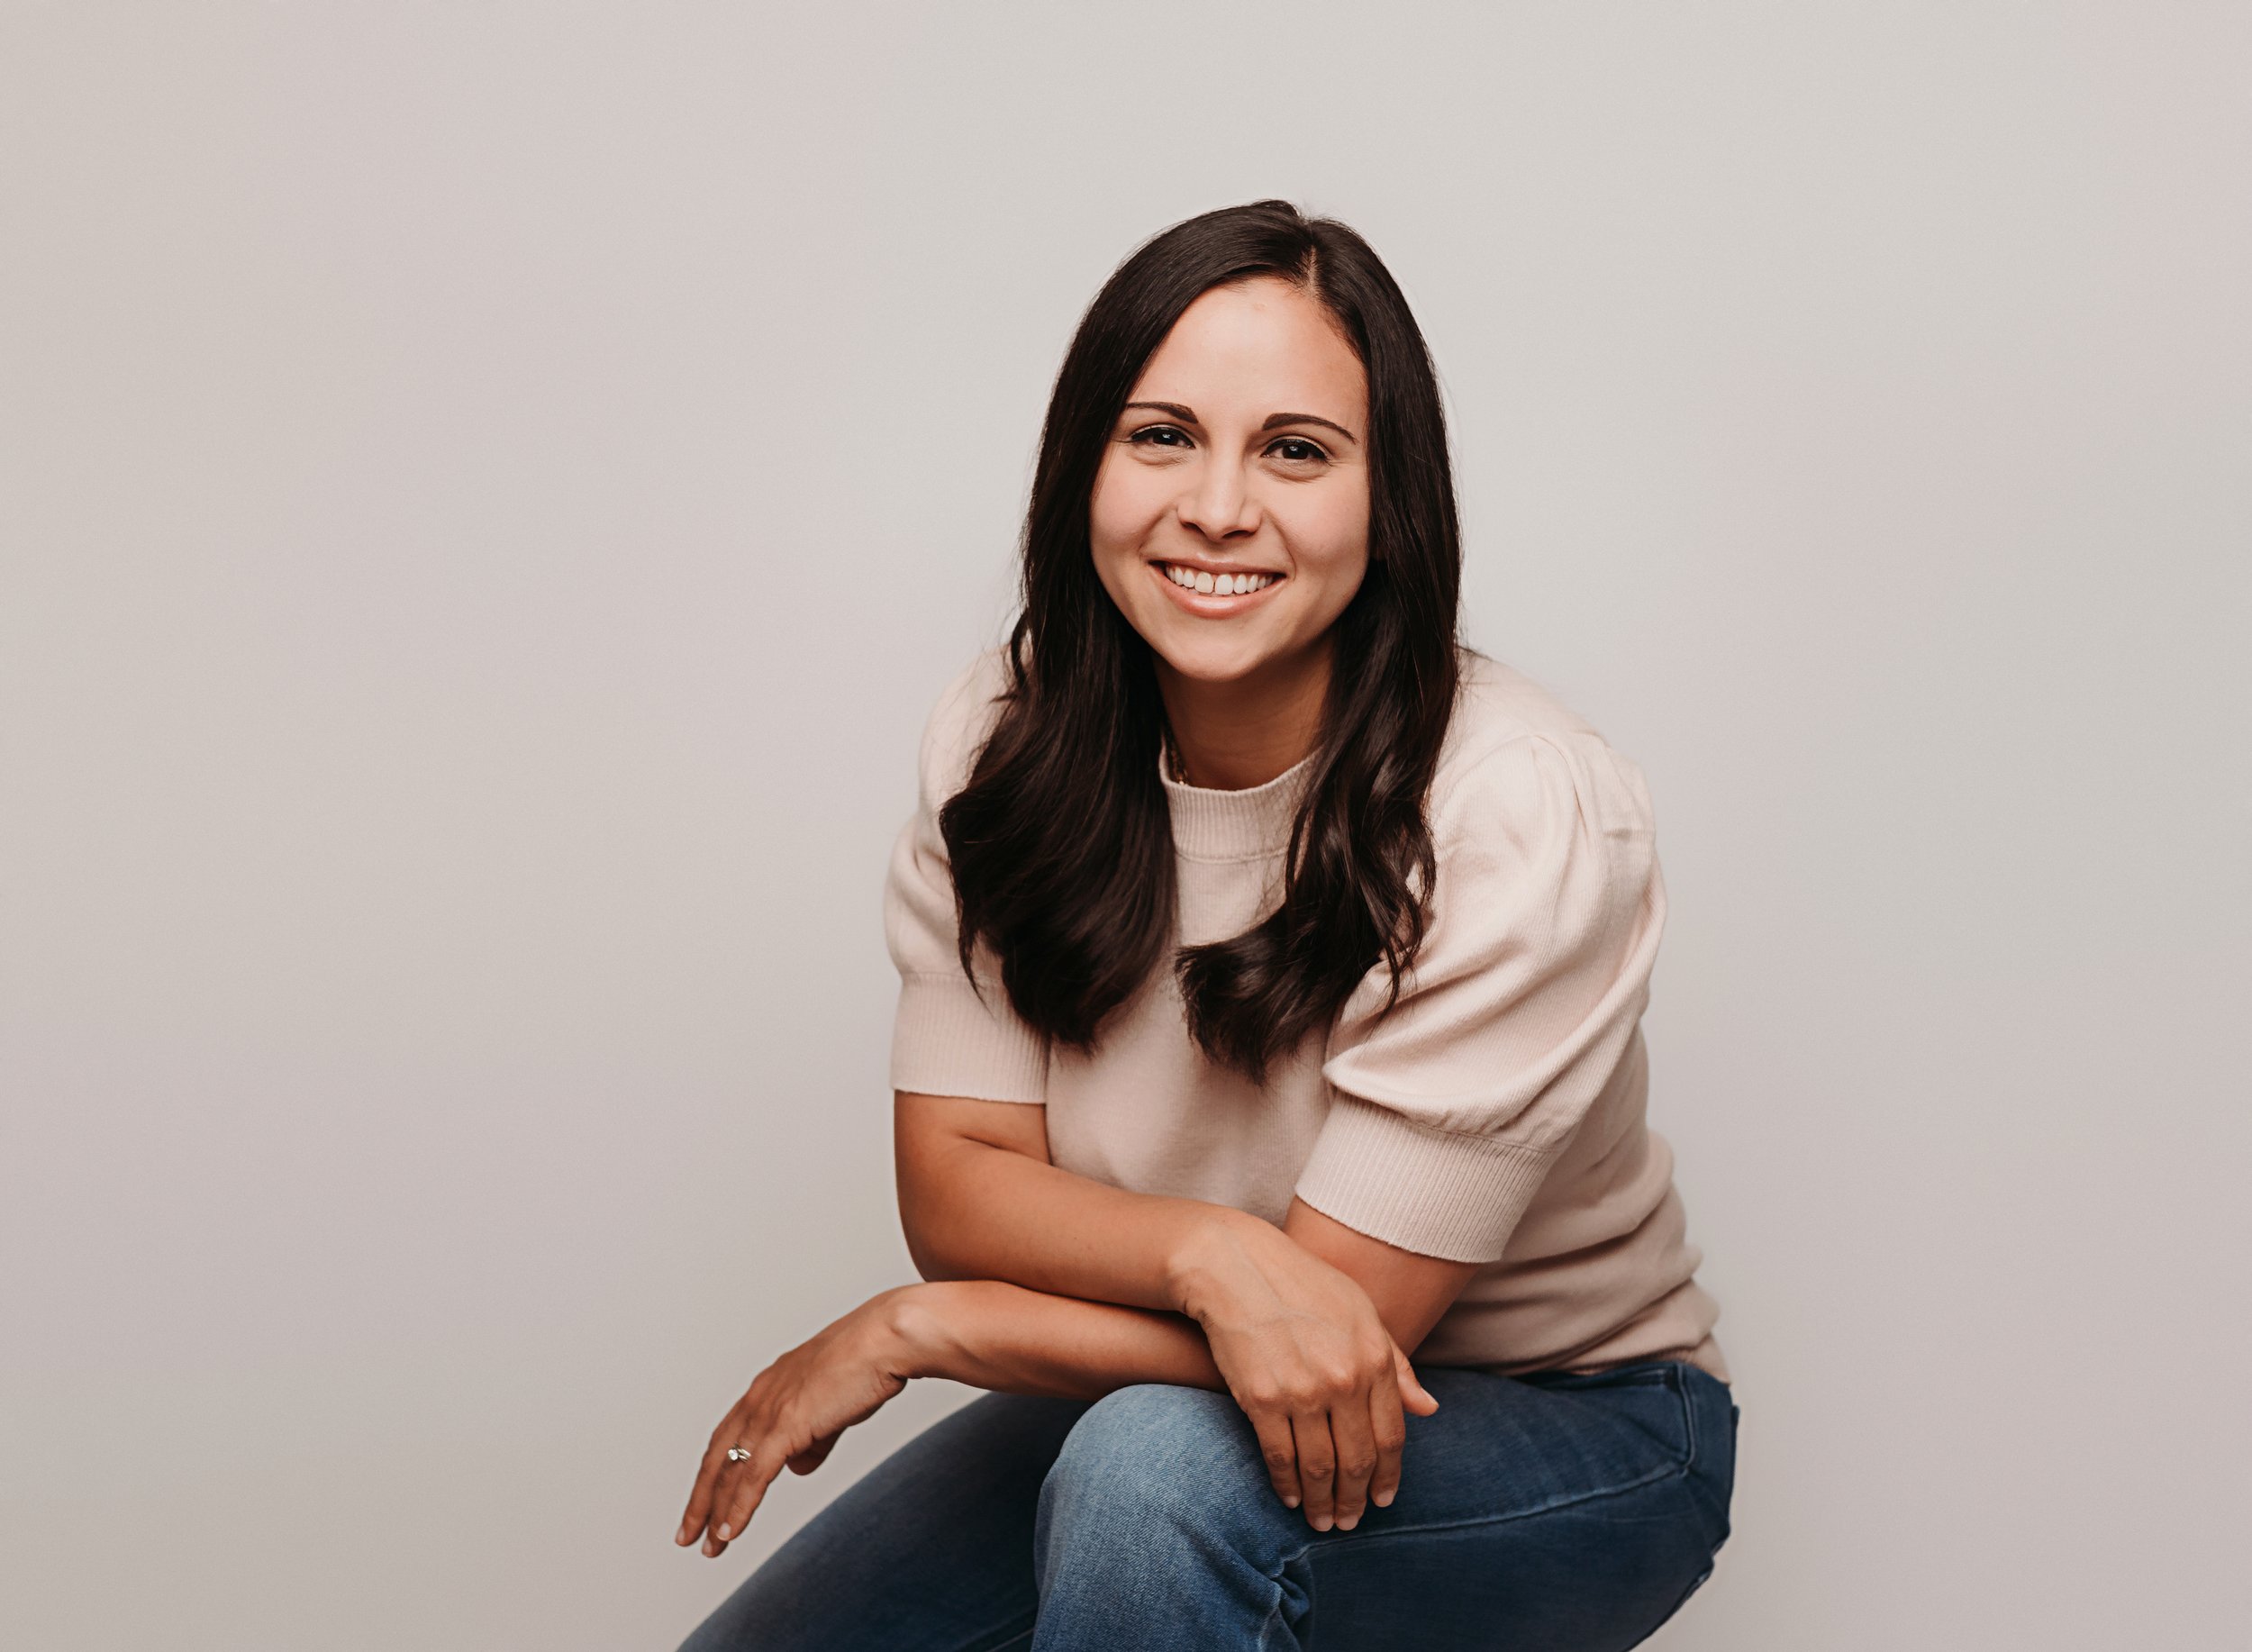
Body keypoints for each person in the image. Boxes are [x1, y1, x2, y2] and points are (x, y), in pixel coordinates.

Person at [671, 199, 1736, 1652]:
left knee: (1148, 1477)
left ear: (1389, 499)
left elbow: (1332, 1339)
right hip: (1168, 1381)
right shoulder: (1005, 740)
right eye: (1162, 435)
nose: (1220, 506)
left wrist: (922, 1329)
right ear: (1083, 466)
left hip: (1575, 1425)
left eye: (1296, 450)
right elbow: (961, 1185)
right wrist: (1210, 1254)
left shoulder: (1518, 809)